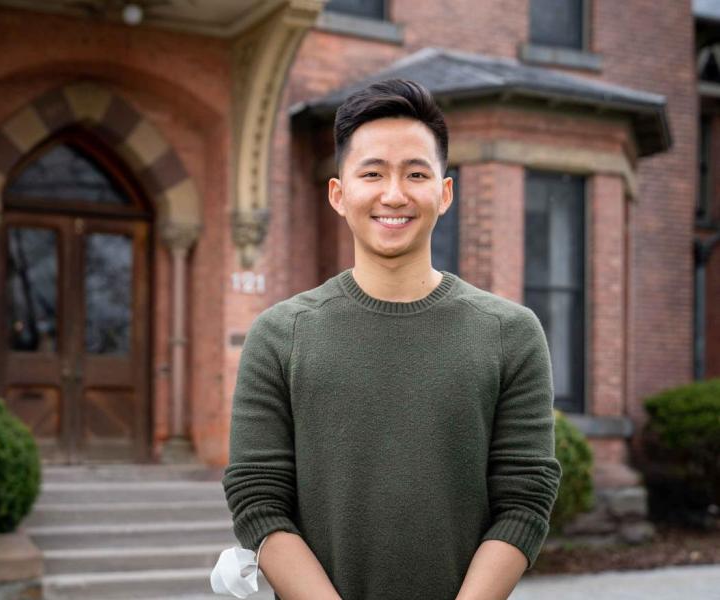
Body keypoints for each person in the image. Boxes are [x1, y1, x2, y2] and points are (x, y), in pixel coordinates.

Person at [219, 78, 562, 600]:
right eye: (372, 173)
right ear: (339, 194)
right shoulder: (280, 336)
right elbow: (259, 500)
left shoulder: (509, 334)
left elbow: (524, 500)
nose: (394, 194)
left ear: (444, 194)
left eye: (416, 173)